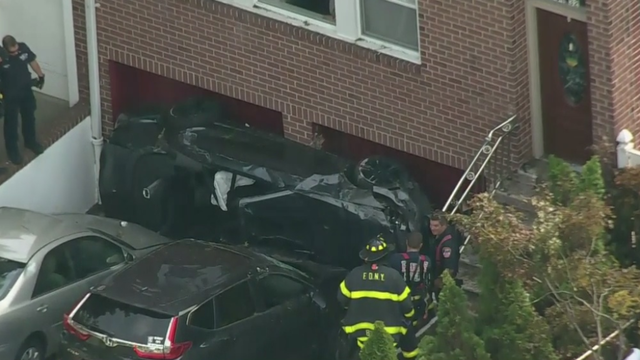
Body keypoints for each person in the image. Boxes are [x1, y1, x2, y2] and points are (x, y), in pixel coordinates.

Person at [337, 234, 419, 360]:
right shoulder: (394, 277)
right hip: (390, 335)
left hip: (360, 334)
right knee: (408, 332)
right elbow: (407, 307)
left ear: (366, 258)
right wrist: (408, 317)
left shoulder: (354, 275)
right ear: (386, 256)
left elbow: (341, 299)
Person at [0, 35, 45, 165]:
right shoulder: (2, 58)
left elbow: (32, 61)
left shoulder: (23, 48)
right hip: (10, 95)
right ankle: (13, 151)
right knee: (11, 124)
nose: (16, 53)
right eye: (12, 52)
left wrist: (41, 76)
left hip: (25, 90)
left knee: (29, 117)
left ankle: (30, 141)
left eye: (17, 50)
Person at [388, 231, 432, 326]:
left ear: (406, 242)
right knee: (414, 325)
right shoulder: (427, 260)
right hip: (418, 301)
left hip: (400, 301)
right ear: (421, 245)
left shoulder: (396, 259)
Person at [429, 210, 461, 299]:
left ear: (444, 225)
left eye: (436, 226)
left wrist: (440, 282)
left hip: (443, 282)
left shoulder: (447, 244)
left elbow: (449, 267)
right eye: (431, 225)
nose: (432, 228)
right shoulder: (441, 235)